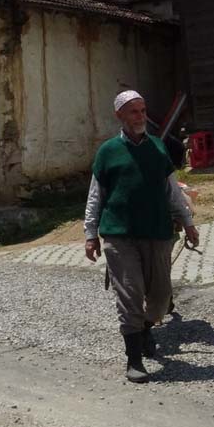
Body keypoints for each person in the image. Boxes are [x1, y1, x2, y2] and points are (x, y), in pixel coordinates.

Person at [85, 90, 198, 383]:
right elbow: (95, 197)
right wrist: (90, 234)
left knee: (160, 299)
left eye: (143, 111)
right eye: (133, 112)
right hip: (119, 235)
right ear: (119, 115)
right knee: (130, 295)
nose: (140, 117)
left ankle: (146, 328)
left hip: (158, 233)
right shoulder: (108, 152)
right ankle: (133, 360)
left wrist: (188, 223)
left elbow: (172, 192)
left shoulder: (158, 148)